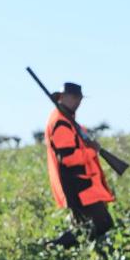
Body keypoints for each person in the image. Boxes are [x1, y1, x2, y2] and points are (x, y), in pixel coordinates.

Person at [45, 82, 115, 247]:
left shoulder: (68, 121)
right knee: (102, 224)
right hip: (79, 185)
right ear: (63, 98)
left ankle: (60, 250)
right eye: (75, 97)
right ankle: (54, 246)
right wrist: (91, 151)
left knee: (86, 228)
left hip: (83, 184)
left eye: (80, 98)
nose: (78, 102)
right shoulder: (61, 123)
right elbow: (68, 158)